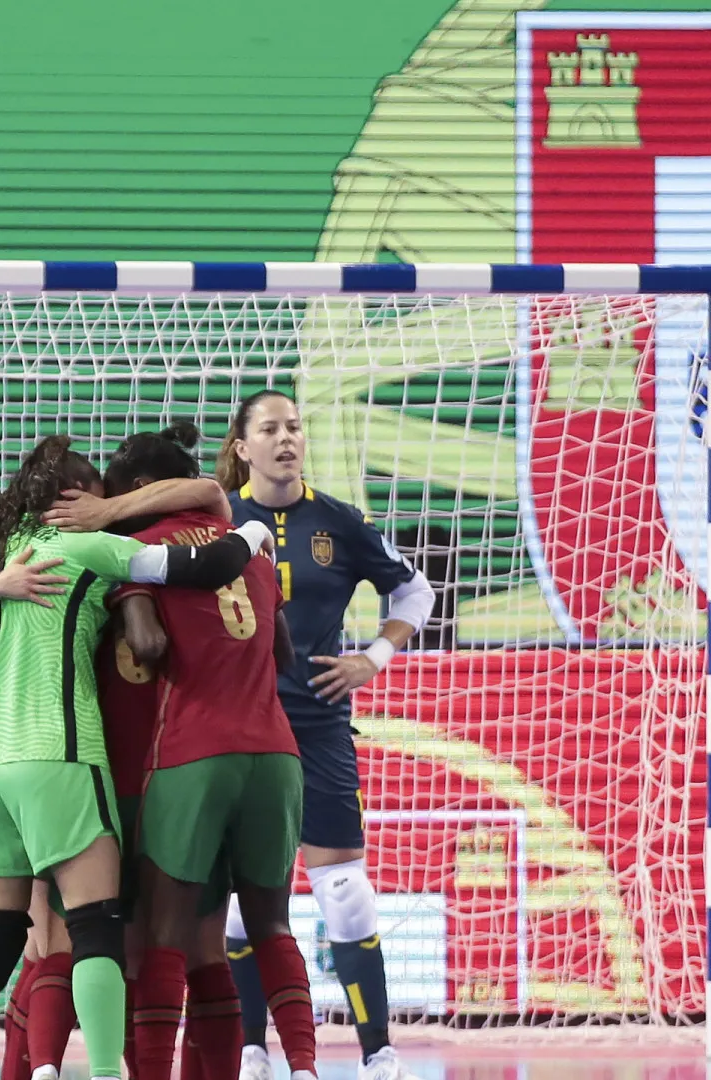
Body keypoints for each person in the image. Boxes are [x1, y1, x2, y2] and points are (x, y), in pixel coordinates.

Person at [0, 434, 273, 1080]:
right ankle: (108, 1076)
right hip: (56, 753)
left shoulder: (1, 555)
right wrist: (252, 534)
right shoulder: (88, 547)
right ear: (78, 498)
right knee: (95, 927)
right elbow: (201, 570)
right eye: (100, 492)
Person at [69, 420, 321, 1080]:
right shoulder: (254, 555)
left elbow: (148, 648)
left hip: (189, 756)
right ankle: (306, 1067)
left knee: (160, 937)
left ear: (142, 491)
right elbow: (284, 654)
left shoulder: (137, 553)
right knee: (271, 926)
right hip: (276, 754)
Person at [218, 390, 434, 1080]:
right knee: (239, 897)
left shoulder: (338, 521)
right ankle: (251, 1047)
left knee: (343, 890)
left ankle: (379, 1053)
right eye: (270, 429)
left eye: (295, 427)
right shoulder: (215, 520)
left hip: (316, 723)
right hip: (236, 726)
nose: (287, 439)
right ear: (242, 447)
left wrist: (373, 658)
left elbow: (415, 594)